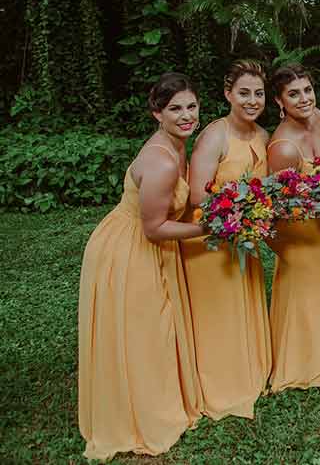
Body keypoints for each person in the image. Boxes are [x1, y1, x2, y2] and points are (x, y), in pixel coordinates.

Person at [78, 72, 204, 460]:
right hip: (130, 248)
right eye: (174, 109)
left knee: (150, 329)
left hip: (144, 240)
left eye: (191, 106)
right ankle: (143, 414)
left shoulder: (179, 145)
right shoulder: (162, 161)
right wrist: (210, 227)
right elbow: (154, 228)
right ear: (157, 114)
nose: (186, 116)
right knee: (146, 331)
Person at [180, 59, 272, 419]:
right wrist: (244, 204)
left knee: (241, 303)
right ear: (227, 94)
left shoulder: (264, 137)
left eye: (259, 93)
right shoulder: (215, 136)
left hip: (243, 235)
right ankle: (219, 381)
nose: (252, 100)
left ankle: (247, 369)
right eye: (244, 93)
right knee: (219, 313)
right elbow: (197, 198)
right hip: (210, 238)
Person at [266, 63, 320, 392]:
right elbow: (275, 209)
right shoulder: (282, 148)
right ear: (279, 102)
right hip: (296, 230)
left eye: (307, 90)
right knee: (305, 291)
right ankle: (301, 363)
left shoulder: (317, 117)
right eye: (293, 94)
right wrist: (283, 250)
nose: (304, 98)